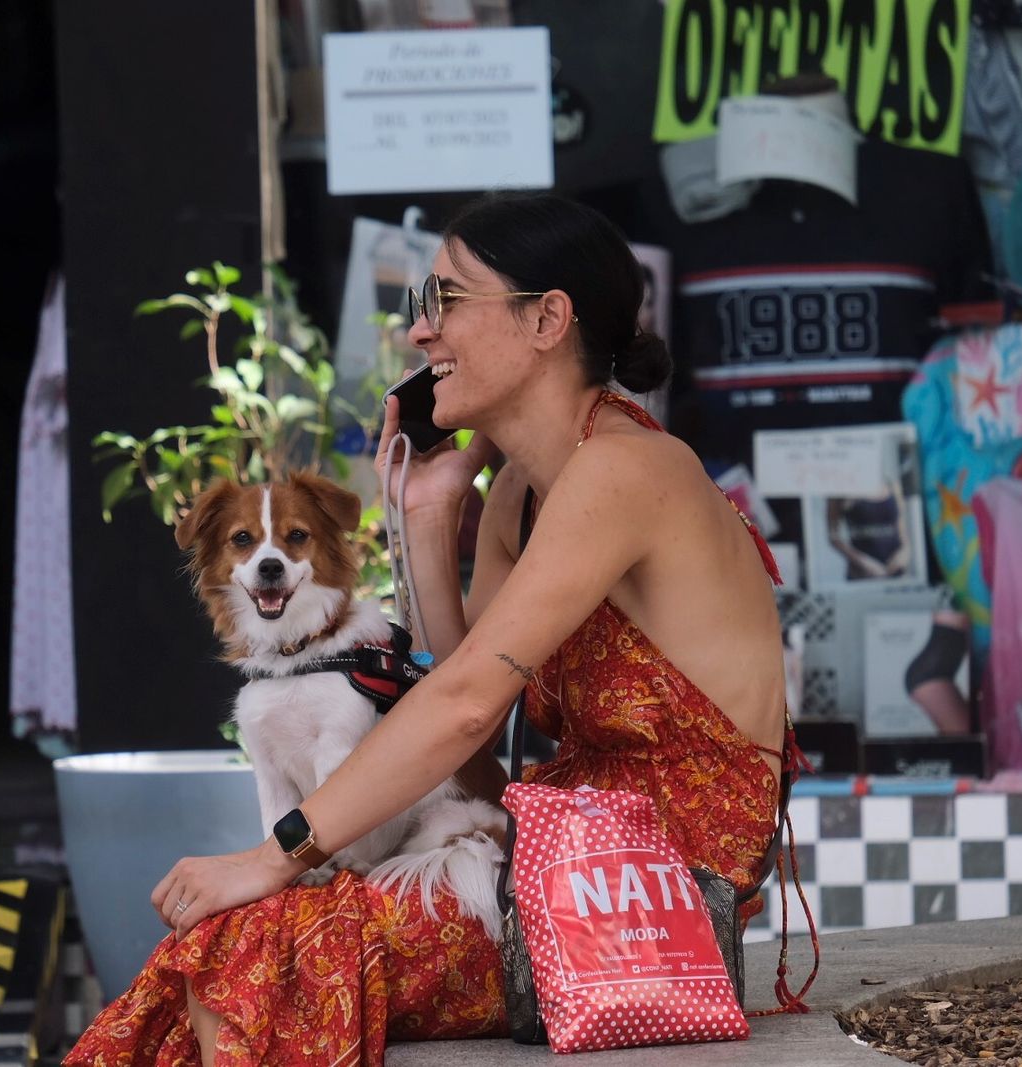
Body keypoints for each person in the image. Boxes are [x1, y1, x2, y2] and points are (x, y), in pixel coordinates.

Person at [65, 192, 791, 1066]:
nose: (420, 334)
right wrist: (427, 512)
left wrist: (278, 853)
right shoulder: (520, 494)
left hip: (646, 884)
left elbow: (462, 705)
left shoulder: (624, 470)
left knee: (252, 948)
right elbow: (468, 747)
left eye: (446, 301)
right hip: (554, 851)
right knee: (228, 946)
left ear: (547, 319)